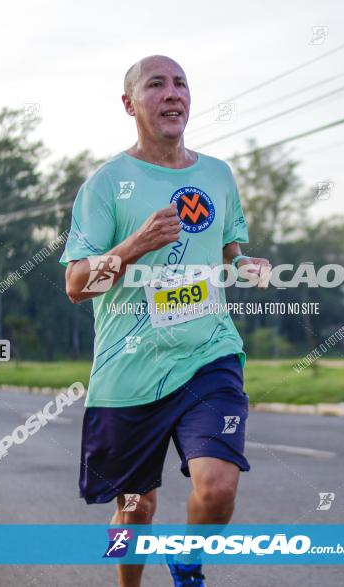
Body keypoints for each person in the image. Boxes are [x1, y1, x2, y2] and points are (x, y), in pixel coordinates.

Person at [61, 54, 270, 587]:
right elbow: (77, 286)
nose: (173, 93)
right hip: (130, 370)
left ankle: (189, 563)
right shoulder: (107, 184)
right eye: (156, 85)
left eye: (181, 83)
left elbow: (229, 251)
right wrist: (134, 246)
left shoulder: (218, 175)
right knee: (136, 509)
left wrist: (246, 266)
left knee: (219, 485)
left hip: (208, 354)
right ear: (129, 104)